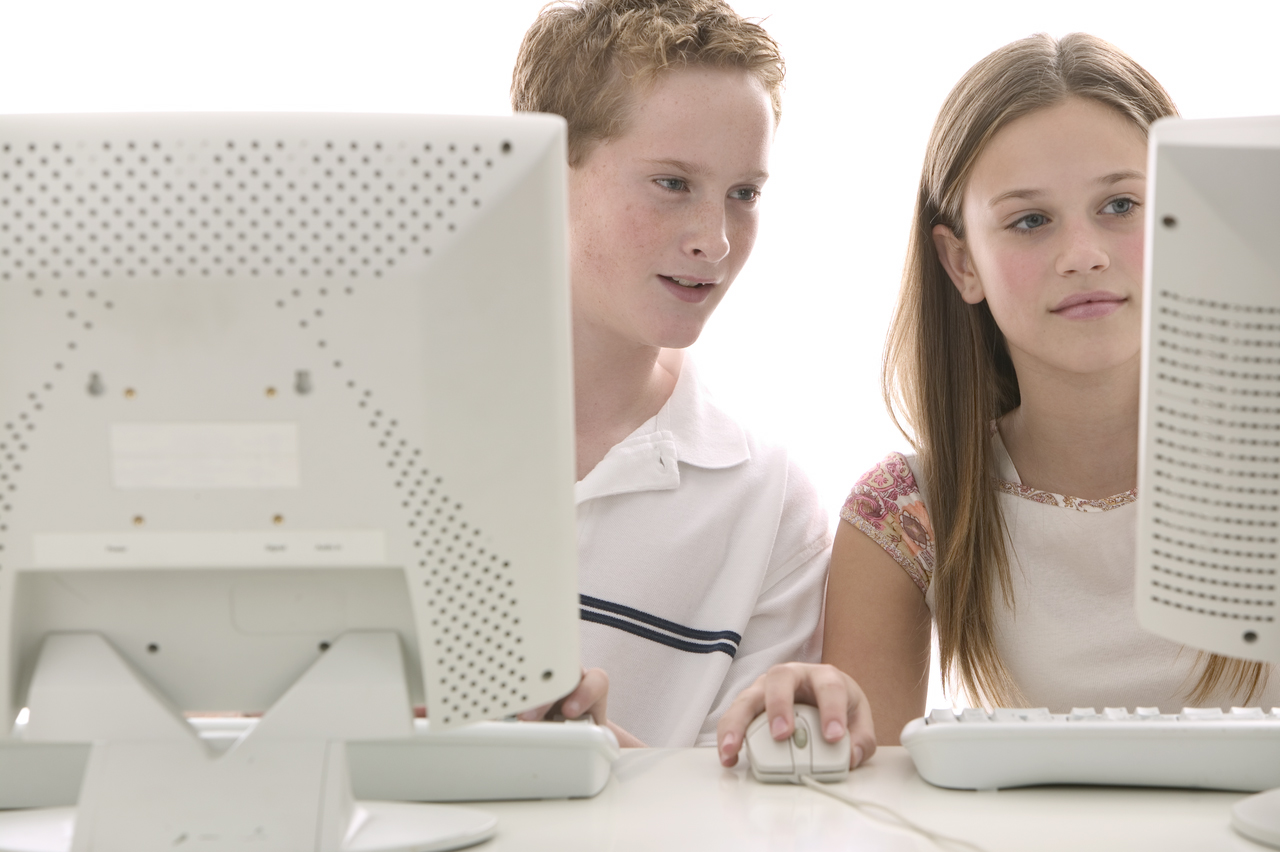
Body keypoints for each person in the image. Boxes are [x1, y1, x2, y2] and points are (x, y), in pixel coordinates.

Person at [717, 31, 1279, 760]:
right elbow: (865, 798)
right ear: (962, 263)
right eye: (1030, 221)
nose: (1084, 255)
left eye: (1120, 205)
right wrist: (806, 731)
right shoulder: (906, 515)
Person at [509, 0, 875, 758]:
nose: (716, 241)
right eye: (673, 183)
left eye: (745, 194)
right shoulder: (371, 421)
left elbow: (740, 804)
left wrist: (596, 761)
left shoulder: (769, 503)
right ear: (544, 171)